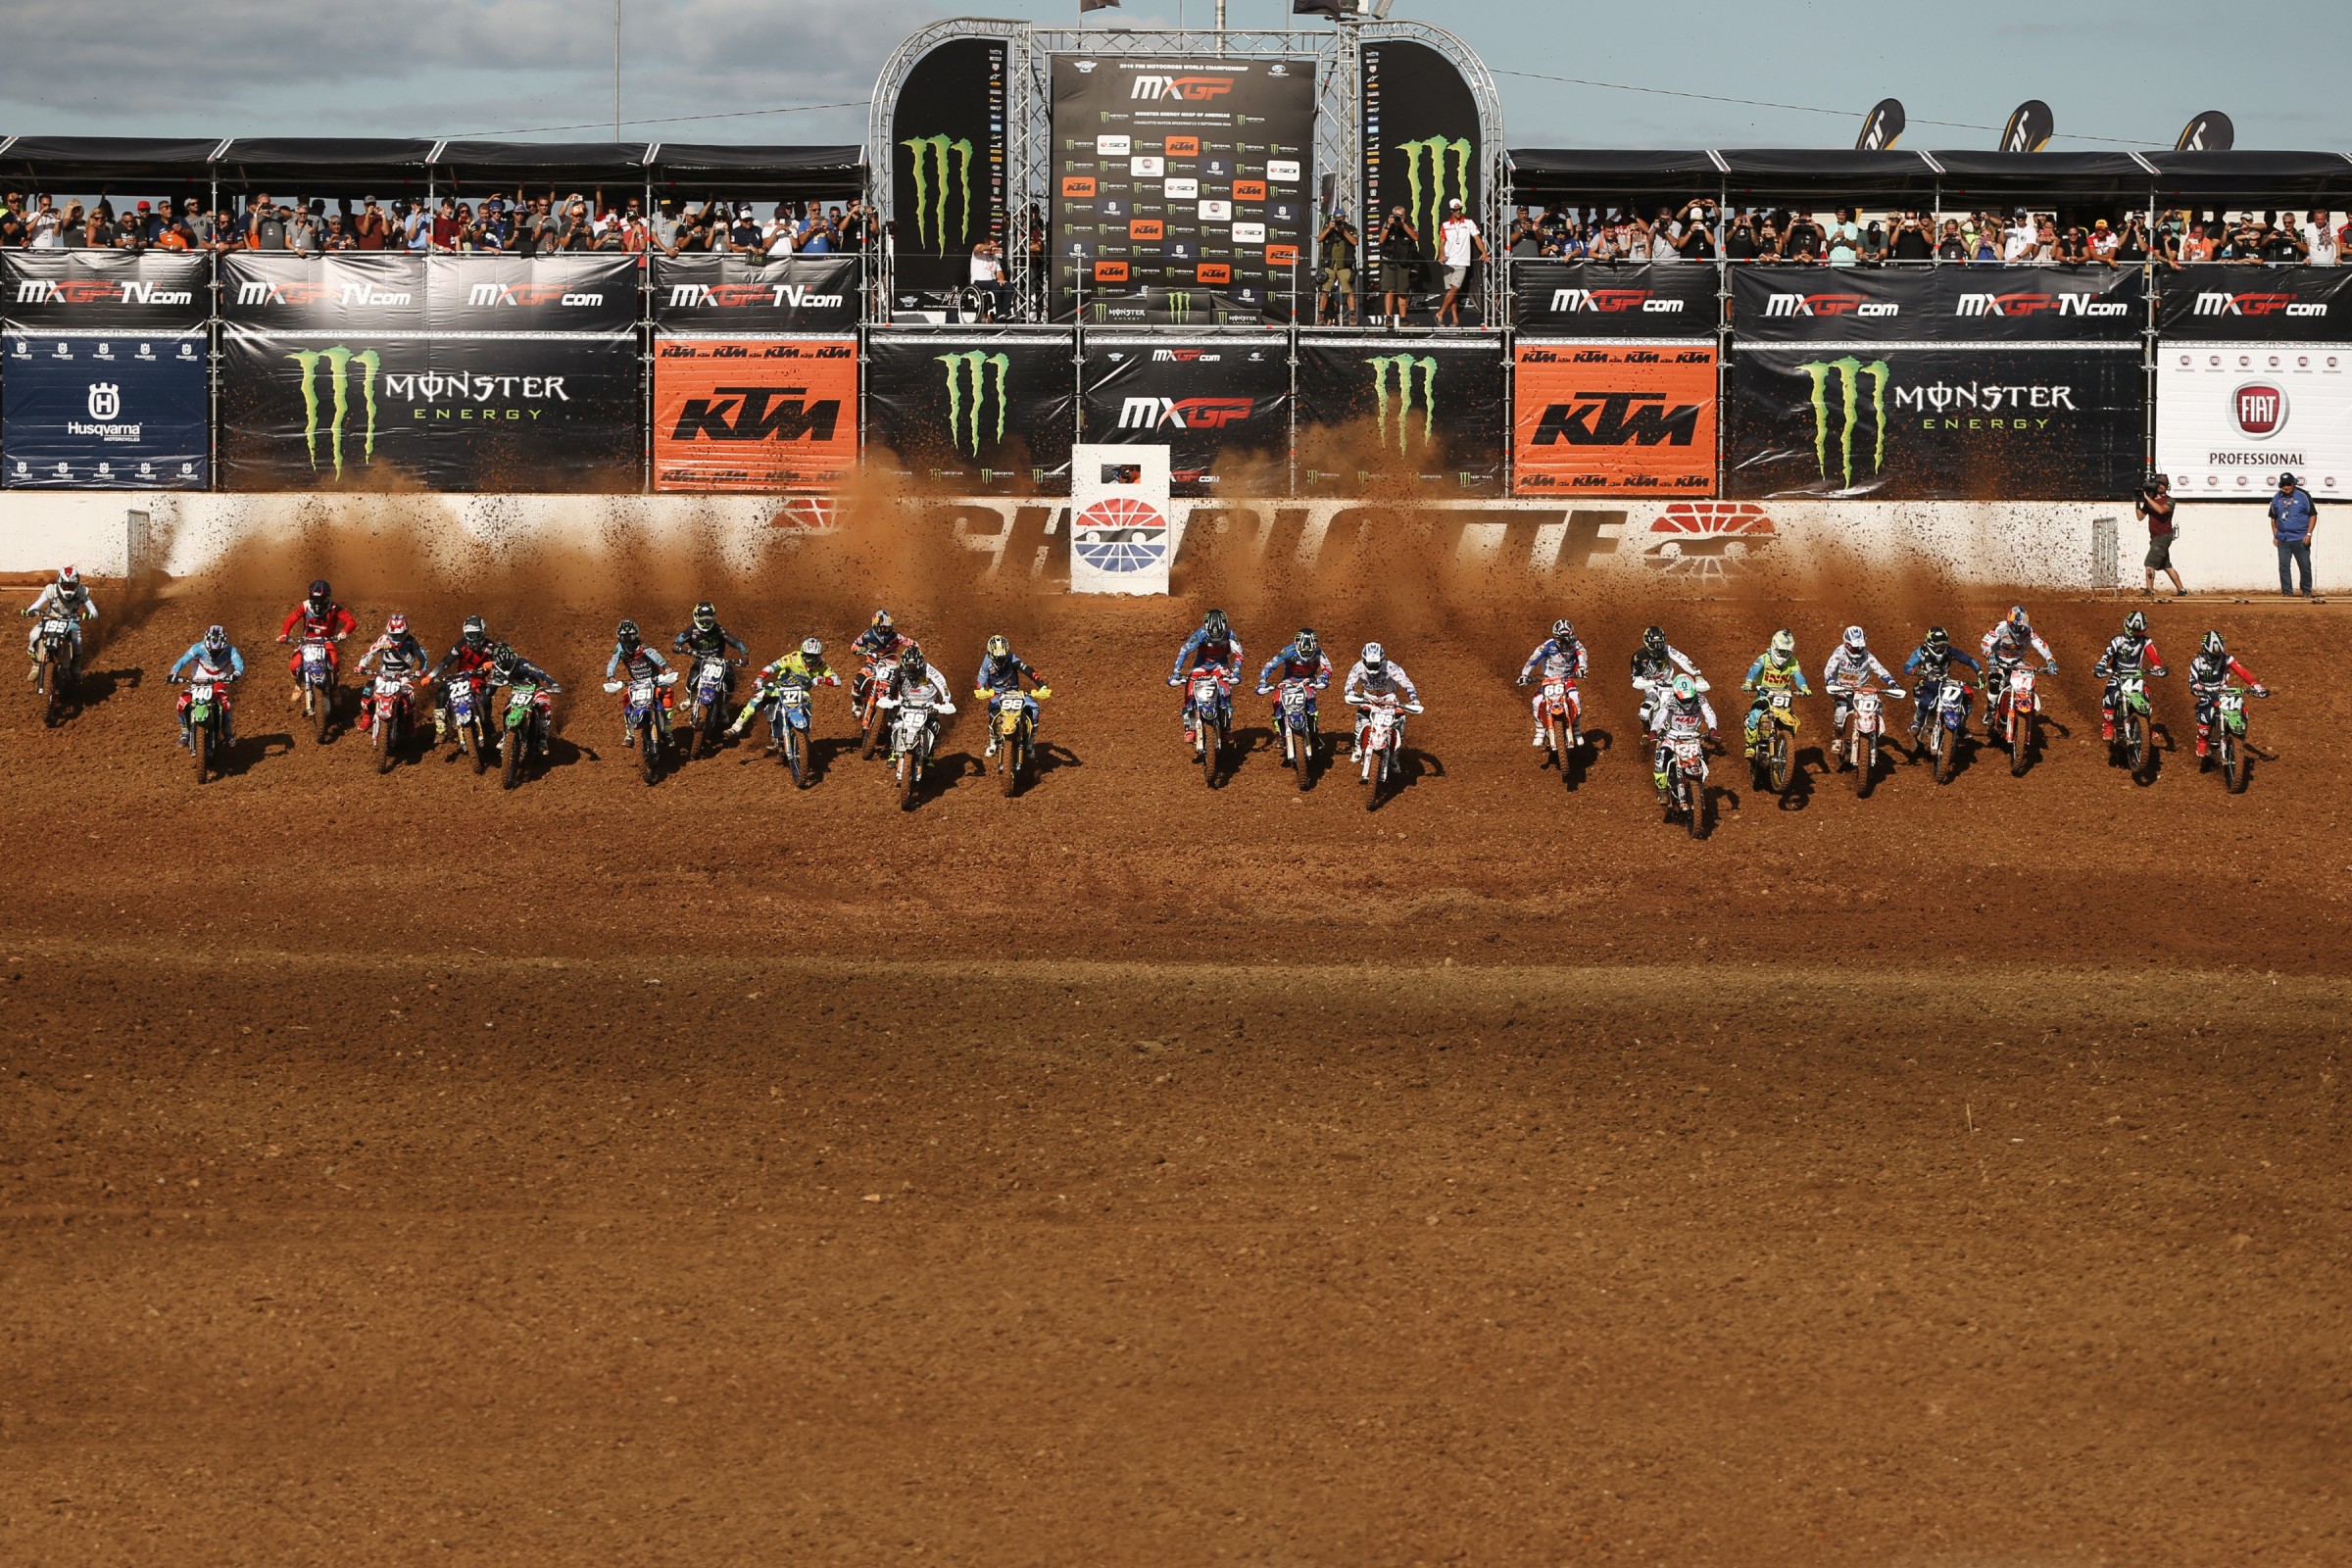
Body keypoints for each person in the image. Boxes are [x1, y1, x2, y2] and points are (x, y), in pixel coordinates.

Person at [728, 637, 840, 742]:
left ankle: (804, 732)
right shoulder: (793, 658)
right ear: (803, 654)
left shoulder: (822, 664)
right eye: (808, 656)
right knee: (758, 696)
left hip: (801, 692)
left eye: (814, 657)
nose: (811, 660)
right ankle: (737, 726)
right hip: (780, 688)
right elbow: (771, 667)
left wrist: (823, 679)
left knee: (808, 701)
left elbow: (837, 681)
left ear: (819, 656)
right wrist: (760, 678)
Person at [2185, 630, 2269, 765]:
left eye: (2219, 653)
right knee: (2206, 717)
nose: (2218, 656)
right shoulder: (2197, 661)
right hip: (2206, 693)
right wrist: (2196, 686)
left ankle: (2237, 737)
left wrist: (2254, 684)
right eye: (2214, 654)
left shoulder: (2226, 658)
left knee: (2241, 708)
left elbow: (2241, 671)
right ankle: (2202, 740)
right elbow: (2192, 680)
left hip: (2224, 691)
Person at [1167, 608, 1244, 743]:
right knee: (1190, 691)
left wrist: (1236, 671)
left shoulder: (1230, 634)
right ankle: (1190, 728)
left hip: (1220, 666)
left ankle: (1226, 728)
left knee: (1225, 692)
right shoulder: (1201, 633)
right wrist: (1176, 671)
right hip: (1201, 666)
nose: (1216, 640)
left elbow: (1239, 653)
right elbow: (1185, 650)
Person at [2092, 611, 2168, 746]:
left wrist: (2157, 667)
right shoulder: (2117, 640)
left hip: (2135, 676)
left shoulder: (2146, 641)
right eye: (2135, 631)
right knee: (2111, 696)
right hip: (2118, 675)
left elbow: (2154, 656)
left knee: (2146, 696)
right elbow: (2107, 654)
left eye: (2140, 632)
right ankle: (2108, 726)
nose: (2137, 634)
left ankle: (2146, 727)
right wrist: (2101, 665)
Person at [1980, 606, 2057, 737]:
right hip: (1999, 660)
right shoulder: (2001, 627)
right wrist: (1990, 654)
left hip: (2017, 662)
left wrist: (2050, 659)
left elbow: (2041, 645)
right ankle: (1990, 711)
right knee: (1995, 683)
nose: (2018, 630)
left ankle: (2027, 713)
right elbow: (1985, 642)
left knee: (2027, 686)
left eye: (2021, 627)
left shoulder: (2029, 631)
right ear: (2010, 623)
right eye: (2016, 627)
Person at [1514, 618, 1589, 752]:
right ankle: (1540, 731)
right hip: (1549, 679)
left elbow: (1582, 656)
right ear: (1555, 637)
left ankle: (1576, 730)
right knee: (1537, 701)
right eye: (1561, 639)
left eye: (1567, 638)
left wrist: (1582, 668)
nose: (1564, 643)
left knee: (1575, 698)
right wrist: (1524, 675)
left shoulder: (1577, 645)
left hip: (1567, 679)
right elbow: (1532, 660)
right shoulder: (1547, 646)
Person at [424, 614, 501, 743]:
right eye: (471, 635)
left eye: (477, 635)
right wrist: (431, 676)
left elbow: (503, 661)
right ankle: (441, 729)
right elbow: (446, 661)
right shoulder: (461, 646)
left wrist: (493, 664)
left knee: (485, 698)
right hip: (459, 679)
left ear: (483, 632)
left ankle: (487, 722)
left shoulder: (491, 646)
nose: (474, 639)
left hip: (477, 679)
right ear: (465, 634)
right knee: (441, 695)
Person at [1739, 629, 1813, 760]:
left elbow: (1798, 676)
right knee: (1755, 715)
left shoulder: (1793, 662)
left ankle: (1784, 747)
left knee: (1791, 723)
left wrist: (1804, 687)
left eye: (1787, 652)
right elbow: (1753, 671)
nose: (1784, 655)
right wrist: (1749, 682)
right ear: (1774, 647)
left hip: (1783, 697)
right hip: (1764, 695)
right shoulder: (1764, 659)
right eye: (1781, 651)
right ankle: (1750, 745)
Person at [1901, 626, 1981, 747]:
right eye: (1938, 647)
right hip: (1927, 682)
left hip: (1945, 682)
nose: (1941, 649)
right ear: (1929, 644)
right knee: (1926, 701)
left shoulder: (1949, 651)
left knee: (1966, 696)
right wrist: (1914, 671)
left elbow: (1969, 660)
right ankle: (1917, 722)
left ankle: (1961, 726)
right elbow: (1907, 666)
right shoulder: (1921, 652)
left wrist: (1979, 673)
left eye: (1943, 646)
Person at [168, 624, 245, 748]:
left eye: (218, 651)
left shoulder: (231, 650)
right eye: (212, 651)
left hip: (218, 683)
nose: (214, 654)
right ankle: (185, 732)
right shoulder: (197, 648)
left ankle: (228, 733)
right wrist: (174, 673)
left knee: (225, 704)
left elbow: (239, 664)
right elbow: (183, 660)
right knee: (181, 703)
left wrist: (236, 673)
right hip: (197, 682)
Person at [1820, 625, 1900, 744]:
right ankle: (1837, 736)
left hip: (1860, 690)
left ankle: (1875, 729)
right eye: (1855, 647)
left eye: (1860, 647)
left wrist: (1893, 683)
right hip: (1841, 688)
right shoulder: (1839, 653)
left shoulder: (1868, 656)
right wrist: (1830, 681)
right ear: (1847, 644)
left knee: (1876, 706)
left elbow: (1880, 670)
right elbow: (1829, 669)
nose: (1858, 650)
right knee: (1841, 710)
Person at [273, 578, 355, 696]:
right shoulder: (305, 606)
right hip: (307, 642)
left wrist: (344, 632)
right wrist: (284, 634)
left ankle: (335, 687)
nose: (318, 603)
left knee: (335, 662)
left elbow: (351, 622)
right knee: (294, 664)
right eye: (315, 599)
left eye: (320, 599)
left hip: (326, 641)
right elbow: (290, 619)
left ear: (327, 598)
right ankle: (298, 685)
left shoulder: (334, 607)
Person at [352, 613, 431, 734]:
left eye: (400, 635)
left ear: (406, 632)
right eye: (395, 635)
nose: (397, 638)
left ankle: (409, 721)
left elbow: (423, 657)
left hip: (404, 675)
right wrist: (361, 666)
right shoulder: (383, 640)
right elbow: (370, 653)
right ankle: (367, 717)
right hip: (384, 674)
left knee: (410, 695)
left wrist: (422, 670)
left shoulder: (411, 642)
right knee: (368, 690)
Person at [1341, 642, 1421, 760]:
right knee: (1361, 718)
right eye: (1370, 664)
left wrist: (1414, 698)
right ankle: (1358, 747)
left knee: (1400, 720)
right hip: (1369, 697)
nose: (1372, 667)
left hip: (1388, 698)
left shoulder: (1390, 667)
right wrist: (1352, 694)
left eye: (1375, 664)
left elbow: (1406, 682)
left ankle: (1395, 756)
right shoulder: (1358, 667)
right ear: (1364, 660)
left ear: (1381, 660)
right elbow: (1349, 685)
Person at [1648, 673, 1719, 807]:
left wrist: (1713, 728)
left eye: (1689, 699)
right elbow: (1660, 716)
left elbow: (1709, 713)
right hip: (1672, 736)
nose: (1687, 703)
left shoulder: (1700, 699)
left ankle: (1698, 787)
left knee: (1698, 763)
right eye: (1684, 699)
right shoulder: (1670, 702)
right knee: (1661, 757)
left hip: (1692, 736)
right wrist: (1653, 730)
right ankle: (1662, 790)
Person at [603, 620, 675, 748]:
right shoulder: (619, 648)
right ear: (619, 636)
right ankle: (630, 734)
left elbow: (654, 654)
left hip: (653, 679)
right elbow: (613, 661)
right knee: (626, 699)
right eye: (624, 637)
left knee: (667, 694)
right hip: (635, 682)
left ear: (635, 636)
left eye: (630, 637)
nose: (627, 640)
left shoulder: (642, 646)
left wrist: (666, 667)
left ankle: (667, 731)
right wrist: (610, 676)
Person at [973, 633, 1047, 758]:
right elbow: (980, 681)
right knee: (994, 712)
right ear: (991, 654)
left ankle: (1029, 743)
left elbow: (1027, 669)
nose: (1001, 660)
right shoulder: (986, 663)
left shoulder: (1011, 657)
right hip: (997, 694)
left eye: (1003, 658)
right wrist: (981, 691)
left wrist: (1042, 685)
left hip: (1015, 692)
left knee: (1034, 709)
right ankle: (992, 743)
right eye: (998, 658)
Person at [21, 564, 96, 681]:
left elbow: (94, 611)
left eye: (71, 586)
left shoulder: (82, 592)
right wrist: (30, 611)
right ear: (59, 583)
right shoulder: (51, 590)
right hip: (51, 618)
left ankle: (75, 668)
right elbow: (37, 604)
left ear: (77, 584)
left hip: (71, 620)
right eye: (65, 585)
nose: (68, 589)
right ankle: (35, 664)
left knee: (77, 641)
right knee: (34, 635)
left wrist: (89, 615)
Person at [1255, 626, 1334, 738]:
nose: (1306, 655)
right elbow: (1270, 665)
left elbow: (1328, 668)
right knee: (1277, 700)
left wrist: (1322, 678)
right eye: (1303, 651)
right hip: (1289, 679)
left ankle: (1314, 732)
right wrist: (1263, 680)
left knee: (1311, 701)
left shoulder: (1319, 653)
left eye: (1309, 652)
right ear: (1297, 645)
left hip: (1308, 680)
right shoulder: (1289, 651)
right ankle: (1279, 731)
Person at [1630, 624, 1706, 736]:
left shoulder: (1667, 649)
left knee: (1687, 702)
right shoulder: (1638, 657)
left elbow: (1683, 660)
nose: (1657, 648)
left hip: (1670, 683)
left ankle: (1691, 727)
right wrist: (1649, 683)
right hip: (1651, 687)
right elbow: (1635, 679)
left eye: (1660, 644)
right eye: (1653, 645)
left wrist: (1697, 674)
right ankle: (1648, 729)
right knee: (1644, 714)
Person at [671, 601, 749, 706]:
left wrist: (745, 655)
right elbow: (676, 644)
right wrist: (688, 651)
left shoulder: (719, 630)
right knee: (692, 678)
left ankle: (725, 705)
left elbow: (737, 643)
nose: (705, 625)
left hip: (719, 660)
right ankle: (689, 698)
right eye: (703, 622)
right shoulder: (691, 630)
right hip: (701, 660)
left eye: (708, 622)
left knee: (730, 678)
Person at [850, 610, 920, 717]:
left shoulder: (895, 636)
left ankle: (897, 711)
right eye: (883, 628)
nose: (885, 631)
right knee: (857, 683)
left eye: (887, 628)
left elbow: (912, 643)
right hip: (872, 665)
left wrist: (914, 654)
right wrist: (865, 651)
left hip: (890, 666)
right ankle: (857, 703)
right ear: (876, 626)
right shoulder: (867, 635)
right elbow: (853, 647)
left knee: (899, 686)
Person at [1436, 197, 1488, 328]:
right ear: (1451, 211)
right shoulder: (1445, 225)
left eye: (1460, 209)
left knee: (1455, 288)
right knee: (1451, 291)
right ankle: (1455, 319)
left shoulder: (1469, 223)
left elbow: (1477, 238)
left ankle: (1440, 313)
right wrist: (1441, 255)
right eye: (1455, 210)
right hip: (1448, 261)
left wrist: (1484, 252)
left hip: (1462, 261)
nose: (1458, 212)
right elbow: (1442, 242)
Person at [2270, 471, 2317, 598]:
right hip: (2283, 538)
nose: (2286, 487)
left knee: (2305, 565)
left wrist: (2309, 534)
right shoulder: (2277, 497)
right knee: (2284, 566)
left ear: (2293, 483)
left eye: (2288, 484)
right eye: (2283, 485)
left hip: (2300, 538)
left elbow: (2312, 515)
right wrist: (2275, 535)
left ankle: (2306, 590)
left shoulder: (2303, 496)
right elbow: (2273, 517)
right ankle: (2287, 592)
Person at [2138, 473, 2184, 596]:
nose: (2160, 486)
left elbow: (2161, 510)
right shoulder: (2151, 501)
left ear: (2167, 486)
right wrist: (2138, 501)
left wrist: (2147, 499)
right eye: (2158, 483)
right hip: (2155, 538)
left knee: (2149, 563)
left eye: (2163, 484)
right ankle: (2181, 590)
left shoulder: (2170, 500)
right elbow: (2140, 517)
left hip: (2163, 536)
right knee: (2166, 565)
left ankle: (2149, 590)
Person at [1378, 205, 1419, 325]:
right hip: (1390, 262)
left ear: (1405, 216)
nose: (1398, 218)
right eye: (1396, 216)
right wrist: (1388, 226)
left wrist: (1403, 225)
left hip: (1404, 262)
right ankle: (1388, 318)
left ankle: (1403, 319)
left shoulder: (1410, 225)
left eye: (1401, 216)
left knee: (1403, 291)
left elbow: (1415, 237)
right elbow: (1381, 240)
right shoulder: (1387, 225)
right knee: (1389, 290)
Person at [1317, 212, 1357, 326]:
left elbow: (1355, 242)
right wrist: (1329, 228)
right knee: (1325, 290)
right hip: (1330, 264)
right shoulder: (1329, 229)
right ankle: (1320, 316)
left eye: (1341, 218)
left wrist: (1343, 230)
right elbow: (1318, 239)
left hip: (1344, 264)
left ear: (1345, 218)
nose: (1339, 221)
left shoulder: (1351, 229)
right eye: (1337, 219)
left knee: (1348, 290)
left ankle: (1352, 316)